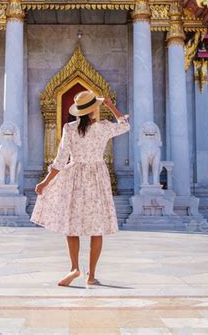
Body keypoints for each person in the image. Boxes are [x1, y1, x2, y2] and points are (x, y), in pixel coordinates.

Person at [30, 89, 130, 287]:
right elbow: (125, 125)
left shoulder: (69, 128)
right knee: (97, 228)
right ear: (94, 110)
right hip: (97, 177)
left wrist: (45, 183)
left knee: (71, 224)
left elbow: (59, 161)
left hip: (74, 176)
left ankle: (74, 267)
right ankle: (91, 276)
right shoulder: (103, 128)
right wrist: (110, 105)